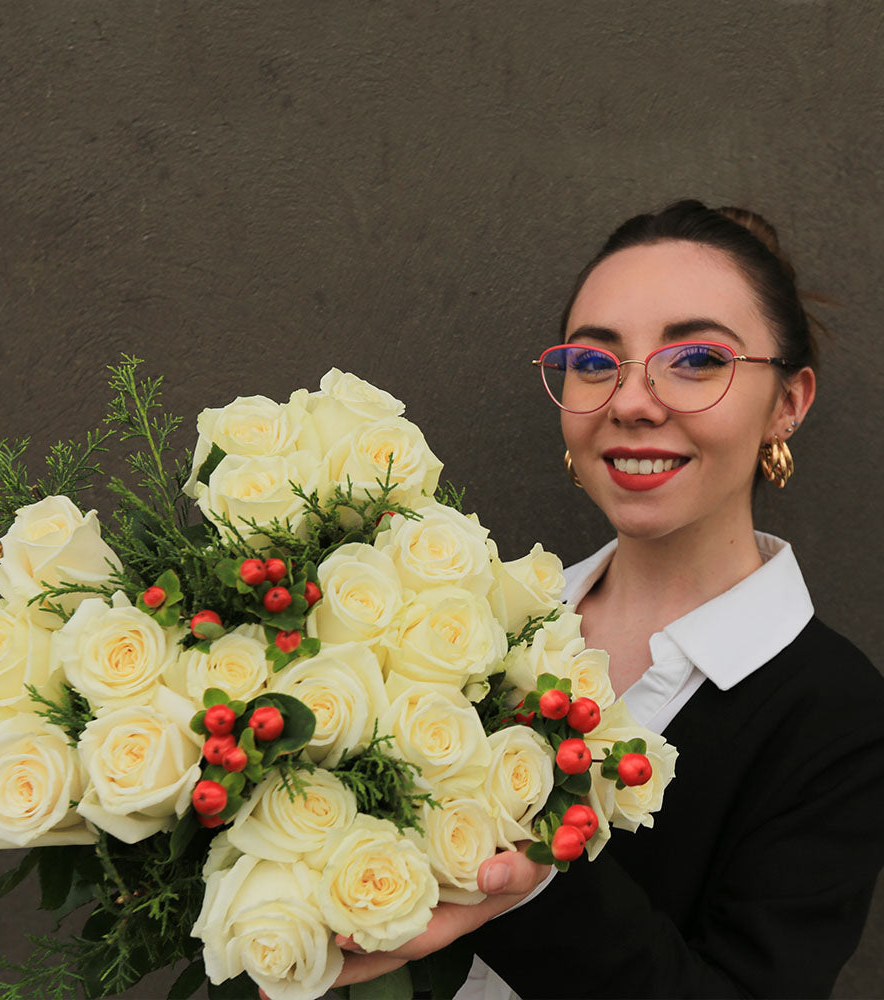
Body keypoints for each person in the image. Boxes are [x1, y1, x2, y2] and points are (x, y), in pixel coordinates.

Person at [331, 200, 884, 998]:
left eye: (696, 359)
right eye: (595, 363)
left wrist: (535, 883)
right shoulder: (465, 619)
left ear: (789, 404)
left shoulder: (839, 717)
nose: (631, 401)